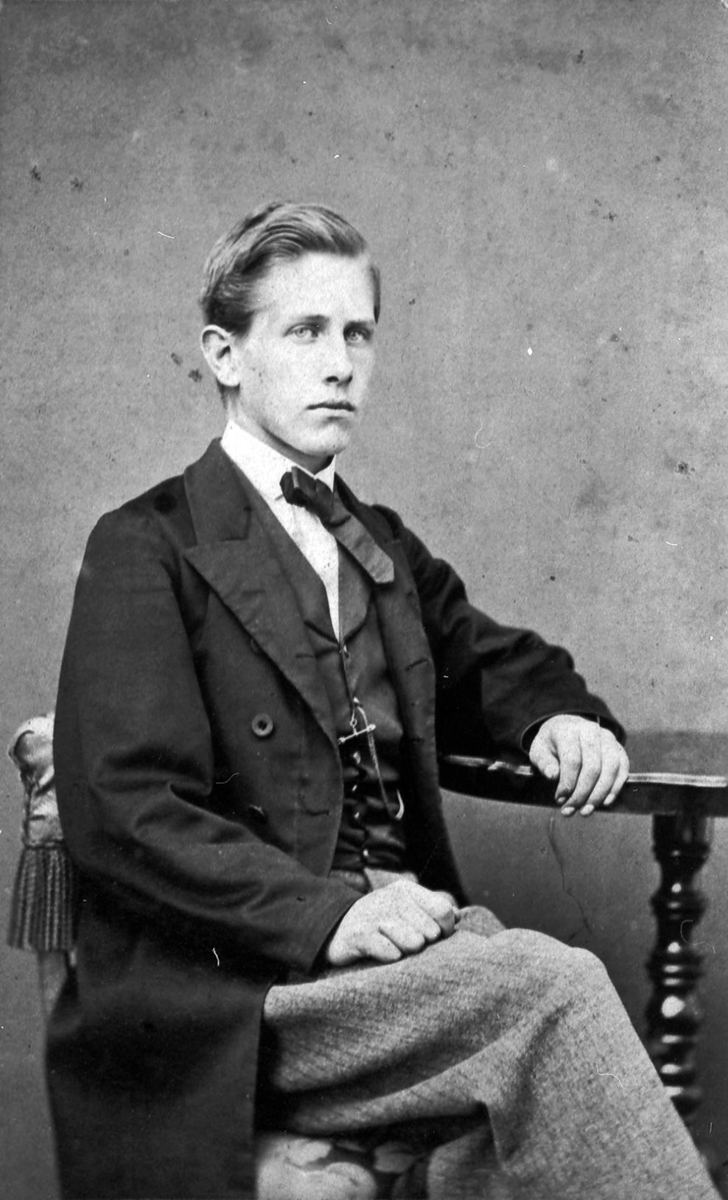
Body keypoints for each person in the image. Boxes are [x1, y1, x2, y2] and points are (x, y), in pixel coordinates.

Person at [48, 201, 718, 1200]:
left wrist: (556, 718)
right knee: (552, 993)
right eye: (305, 331)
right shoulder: (147, 545)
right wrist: (330, 914)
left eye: (357, 334)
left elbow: (489, 660)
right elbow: (128, 812)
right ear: (225, 356)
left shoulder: (377, 542)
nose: (339, 365)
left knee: (522, 1117)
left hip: (396, 960)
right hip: (236, 991)